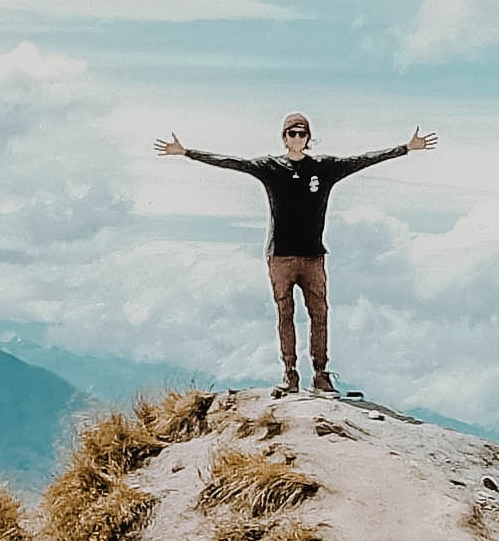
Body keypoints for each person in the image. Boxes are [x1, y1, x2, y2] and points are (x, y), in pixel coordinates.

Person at [155, 113, 433, 397]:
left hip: (313, 256)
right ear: (283, 137)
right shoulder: (270, 167)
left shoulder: (324, 167)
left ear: (308, 137)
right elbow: (231, 162)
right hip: (281, 257)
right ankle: (289, 374)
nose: (297, 139)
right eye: (291, 134)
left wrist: (405, 148)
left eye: (301, 134)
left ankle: (321, 375)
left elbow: (362, 160)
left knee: (319, 315)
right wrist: (187, 153)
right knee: (285, 314)